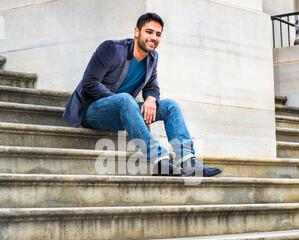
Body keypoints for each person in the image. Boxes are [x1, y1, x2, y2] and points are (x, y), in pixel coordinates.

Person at [63, 12, 222, 177]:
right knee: (126, 99)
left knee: (170, 106)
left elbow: (152, 86)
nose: (154, 37)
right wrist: (120, 101)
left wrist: (151, 99)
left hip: (126, 111)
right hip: (92, 111)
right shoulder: (111, 48)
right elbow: (90, 82)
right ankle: (160, 161)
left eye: (158, 34)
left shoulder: (152, 57)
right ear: (136, 32)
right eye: (149, 31)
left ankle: (189, 162)